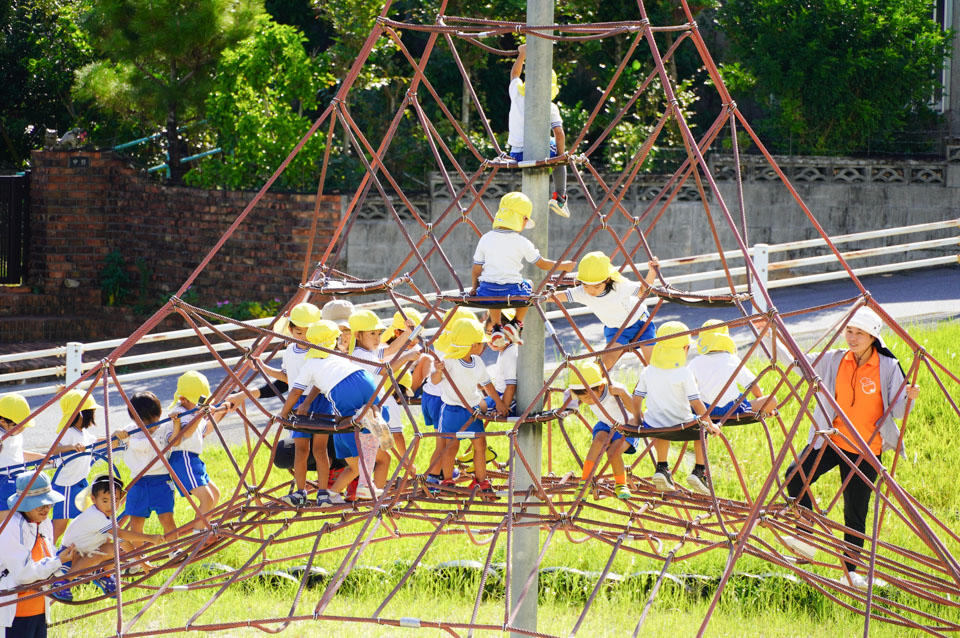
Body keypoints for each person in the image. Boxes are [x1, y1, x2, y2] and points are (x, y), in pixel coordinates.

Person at [771, 307, 919, 590]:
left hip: (865, 448)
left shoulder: (888, 366)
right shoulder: (836, 358)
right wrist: (773, 336)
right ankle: (805, 538)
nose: (851, 337)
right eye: (849, 331)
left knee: (855, 512)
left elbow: (898, 411)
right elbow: (799, 363)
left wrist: (909, 396)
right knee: (794, 475)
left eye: (858, 333)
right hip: (831, 440)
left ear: (873, 336)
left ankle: (851, 573)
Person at [282, 320, 391, 501]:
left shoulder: (310, 364)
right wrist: (307, 403)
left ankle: (359, 418)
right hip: (364, 379)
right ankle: (375, 417)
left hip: (341, 390)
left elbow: (295, 391)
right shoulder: (339, 357)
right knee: (370, 426)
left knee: (346, 423)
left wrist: (284, 414)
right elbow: (318, 383)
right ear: (335, 339)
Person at [471, 191, 575, 345]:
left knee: (493, 295)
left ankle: (497, 327)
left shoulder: (485, 238)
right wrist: (563, 265)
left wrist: (475, 288)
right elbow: (542, 264)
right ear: (522, 219)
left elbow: (476, 270)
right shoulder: (521, 242)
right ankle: (516, 323)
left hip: (487, 291)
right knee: (530, 286)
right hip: (512, 290)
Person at [632, 321, 720, 495]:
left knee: (661, 427)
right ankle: (699, 470)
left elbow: (636, 398)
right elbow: (696, 403)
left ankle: (662, 467)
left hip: (653, 425)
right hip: (682, 424)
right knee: (701, 431)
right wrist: (710, 424)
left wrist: (637, 420)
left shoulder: (648, 371)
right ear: (685, 349)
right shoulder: (684, 373)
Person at [52, 474, 167, 601]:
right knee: (102, 553)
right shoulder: (96, 516)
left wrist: (142, 563)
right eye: (105, 501)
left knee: (118, 550)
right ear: (93, 499)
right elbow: (120, 534)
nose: (110, 506)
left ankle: (103, 575)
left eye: (115, 500)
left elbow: (123, 542)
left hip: (84, 553)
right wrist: (150, 538)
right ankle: (64, 581)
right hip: (69, 557)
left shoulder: (107, 516)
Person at [434, 317, 509, 495]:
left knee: (480, 445)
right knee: (450, 446)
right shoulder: (449, 361)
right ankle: (447, 480)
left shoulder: (477, 362)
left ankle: (481, 481)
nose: (482, 346)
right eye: (480, 343)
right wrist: (438, 371)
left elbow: (487, 384)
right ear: (472, 345)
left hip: (473, 411)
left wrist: (498, 403)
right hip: (452, 409)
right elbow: (434, 380)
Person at [551, 251, 660, 370]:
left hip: (640, 323)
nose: (591, 291)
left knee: (653, 365)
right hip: (616, 330)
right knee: (602, 366)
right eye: (586, 286)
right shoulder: (582, 292)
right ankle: (594, 386)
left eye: (597, 286)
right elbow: (559, 295)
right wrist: (538, 296)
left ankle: (652, 386)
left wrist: (652, 272)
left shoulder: (619, 286)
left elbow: (642, 291)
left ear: (607, 280)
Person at [0, 471, 74, 638]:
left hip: (39, 609)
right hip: (14, 614)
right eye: (40, 504)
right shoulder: (10, 527)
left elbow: (50, 557)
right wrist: (57, 562)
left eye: (49, 504)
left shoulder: (44, 523)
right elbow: (23, 574)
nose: (46, 508)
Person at [562, 361, 640, 500]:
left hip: (626, 427)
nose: (587, 401)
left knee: (613, 453)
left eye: (589, 397)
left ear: (601, 386)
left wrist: (622, 393)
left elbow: (634, 410)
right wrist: (571, 407)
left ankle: (621, 484)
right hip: (605, 424)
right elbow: (569, 393)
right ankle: (584, 482)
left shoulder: (614, 390)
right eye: (583, 399)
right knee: (597, 441)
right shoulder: (581, 390)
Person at [508, 43, 569, 218]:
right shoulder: (549, 107)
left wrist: (523, 55)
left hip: (516, 154)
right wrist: (560, 157)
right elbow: (559, 133)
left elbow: (514, 74)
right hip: (537, 152)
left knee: (555, 151)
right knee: (560, 156)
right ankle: (560, 198)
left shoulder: (517, 95)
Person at [120, 392, 177, 558]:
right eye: (145, 422)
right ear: (136, 420)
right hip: (138, 482)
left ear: (159, 415)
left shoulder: (165, 427)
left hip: (161, 481)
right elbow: (115, 441)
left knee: (167, 518)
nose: (152, 425)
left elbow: (175, 439)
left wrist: (177, 421)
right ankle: (139, 556)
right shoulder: (130, 431)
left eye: (155, 419)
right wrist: (117, 433)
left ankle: (174, 550)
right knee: (136, 522)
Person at [167, 371, 226, 531]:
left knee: (215, 495)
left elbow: (205, 430)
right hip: (182, 458)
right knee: (207, 498)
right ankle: (198, 535)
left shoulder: (194, 412)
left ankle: (203, 528)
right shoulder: (180, 412)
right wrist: (201, 413)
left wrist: (220, 412)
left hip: (193, 459)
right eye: (199, 402)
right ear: (183, 399)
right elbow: (185, 433)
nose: (202, 405)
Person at [688, 320, 778, 418]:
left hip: (705, 411)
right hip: (733, 409)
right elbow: (752, 384)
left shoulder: (695, 362)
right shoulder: (731, 359)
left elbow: (687, 389)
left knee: (691, 404)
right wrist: (760, 401)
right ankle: (765, 409)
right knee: (772, 400)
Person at [50, 390, 107, 543]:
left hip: (80, 483)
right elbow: (53, 450)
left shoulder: (85, 434)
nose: (93, 415)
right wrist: (71, 447)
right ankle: (45, 555)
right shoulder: (68, 432)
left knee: (88, 521)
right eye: (91, 412)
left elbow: (96, 442)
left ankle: (82, 552)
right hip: (67, 485)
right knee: (59, 527)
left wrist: (113, 438)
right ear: (81, 414)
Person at [0, 393, 44, 519]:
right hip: (3, 480)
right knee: (5, 523)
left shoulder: (15, 433)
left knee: (21, 520)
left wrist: (38, 457)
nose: (23, 428)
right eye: (18, 425)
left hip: (19, 478)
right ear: (3, 422)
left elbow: (17, 453)